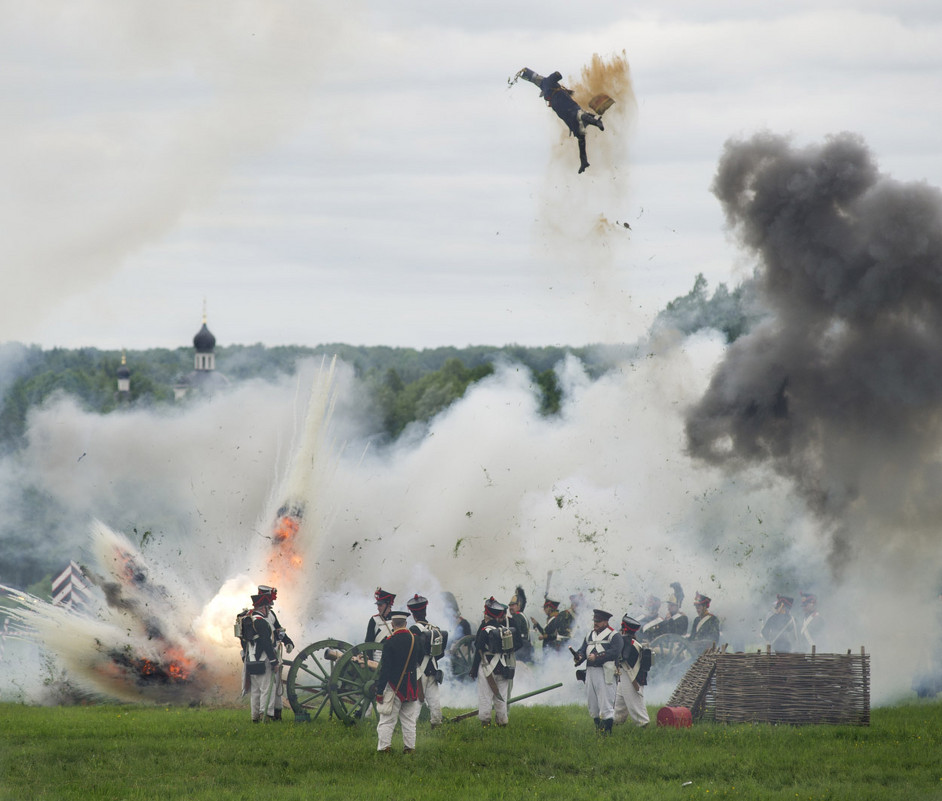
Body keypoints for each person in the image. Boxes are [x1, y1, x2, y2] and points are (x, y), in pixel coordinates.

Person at [515, 67, 607, 174]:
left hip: (568, 107)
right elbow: (536, 80)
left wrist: (555, 76)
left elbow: (556, 75)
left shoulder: (546, 82)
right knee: (580, 135)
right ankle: (584, 161)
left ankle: (597, 122)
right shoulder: (545, 86)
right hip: (566, 114)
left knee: (579, 115)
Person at [469, 597, 523, 727]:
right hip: (503, 667)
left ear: (487, 614)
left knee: (485, 696)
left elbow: (478, 649)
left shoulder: (484, 630)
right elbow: (516, 645)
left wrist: (473, 669)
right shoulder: (505, 630)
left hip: (487, 667)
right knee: (502, 698)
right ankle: (502, 722)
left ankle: (485, 722)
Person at [374, 610, 422, 753]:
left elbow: (385, 669)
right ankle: (409, 748)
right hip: (411, 686)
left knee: (387, 721)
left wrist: (380, 691)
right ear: (405, 623)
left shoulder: (390, 642)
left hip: (394, 686)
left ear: (393, 624)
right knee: (409, 721)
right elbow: (419, 661)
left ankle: (384, 749)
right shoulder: (415, 639)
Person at [573, 609, 622, 733]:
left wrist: (597, 657)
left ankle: (607, 733)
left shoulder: (614, 635)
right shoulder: (589, 634)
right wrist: (579, 656)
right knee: (592, 703)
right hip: (590, 672)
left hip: (606, 673)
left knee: (606, 703)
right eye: (595, 621)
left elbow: (615, 652)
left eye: (599, 621)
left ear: (606, 622)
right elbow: (583, 650)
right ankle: (598, 728)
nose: (596, 623)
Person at [407, 593, 448, 729]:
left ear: (413, 614)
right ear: (425, 611)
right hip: (433, 669)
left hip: (420, 671)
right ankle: (436, 724)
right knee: (435, 701)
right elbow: (440, 653)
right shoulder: (434, 628)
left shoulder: (414, 630)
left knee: (417, 702)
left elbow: (412, 653)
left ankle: (410, 728)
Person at [244, 592, 280, 723]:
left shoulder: (248, 618)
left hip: (252, 659)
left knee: (255, 691)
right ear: (262, 608)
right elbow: (266, 643)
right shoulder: (261, 622)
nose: (269, 610)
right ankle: (266, 716)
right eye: (267, 607)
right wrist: (274, 661)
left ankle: (255, 717)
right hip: (264, 658)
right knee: (267, 689)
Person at [614, 615, 651, 728]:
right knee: (619, 705)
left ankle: (644, 725)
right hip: (626, 676)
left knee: (635, 705)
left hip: (632, 678)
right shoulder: (630, 642)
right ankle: (615, 721)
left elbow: (622, 658)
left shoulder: (629, 644)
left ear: (624, 630)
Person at [508, 586, 533, 663]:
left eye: (513, 605)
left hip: (521, 647)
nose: (510, 607)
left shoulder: (517, 616)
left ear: (519, 605)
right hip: (525, 646)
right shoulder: (521, 615)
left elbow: (514, 633)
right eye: (510, 605)